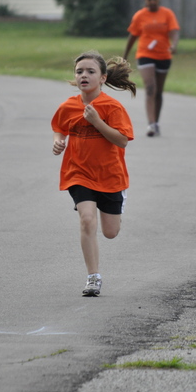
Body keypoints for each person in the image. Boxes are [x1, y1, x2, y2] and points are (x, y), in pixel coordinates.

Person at [51, 50, 136, 297]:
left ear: (102, 78)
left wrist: (98, 122)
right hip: (78, 172)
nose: (84, 75)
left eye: (90, 71)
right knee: (87, 219)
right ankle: (93, 278)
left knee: (110, 232)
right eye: (79, 72)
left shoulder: (112, 107)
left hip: (110, 175)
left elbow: (122, 141)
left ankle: (118, 201)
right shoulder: (68, 106)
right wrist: (58, 141)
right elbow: (59, 128)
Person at [123, 0, 180, 137]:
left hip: (164, 55)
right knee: (150, 87)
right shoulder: (140, 16)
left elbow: (174, 32)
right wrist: (125, 56)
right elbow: (132, 36)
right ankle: (150, 124)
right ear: (145, 0)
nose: (152, 1)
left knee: (159, 92)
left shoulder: (167, 14)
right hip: (145, 54)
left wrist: (174, 45)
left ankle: (156, 122)